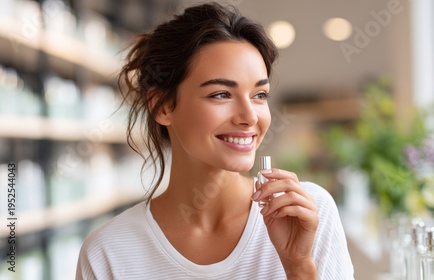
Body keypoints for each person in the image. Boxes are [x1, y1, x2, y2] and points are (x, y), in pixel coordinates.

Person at [76, 2, 354, 279]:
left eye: (259, 95)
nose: (249, 117)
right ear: (162, 106)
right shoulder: (109, 252)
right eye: (221, 94)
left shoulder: (307, 216)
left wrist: (298, 265)